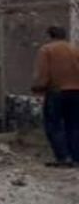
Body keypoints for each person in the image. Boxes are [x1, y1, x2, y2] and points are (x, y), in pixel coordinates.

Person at [32, 25, 79, 167]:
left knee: (54, 125)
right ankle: (76, 156)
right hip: (76, 92)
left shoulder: (46, 50)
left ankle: (63, 157)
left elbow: (43, 73)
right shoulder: (75, 49)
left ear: (49, 36)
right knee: (74, 125)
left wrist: (38, 87)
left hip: (57, 92)